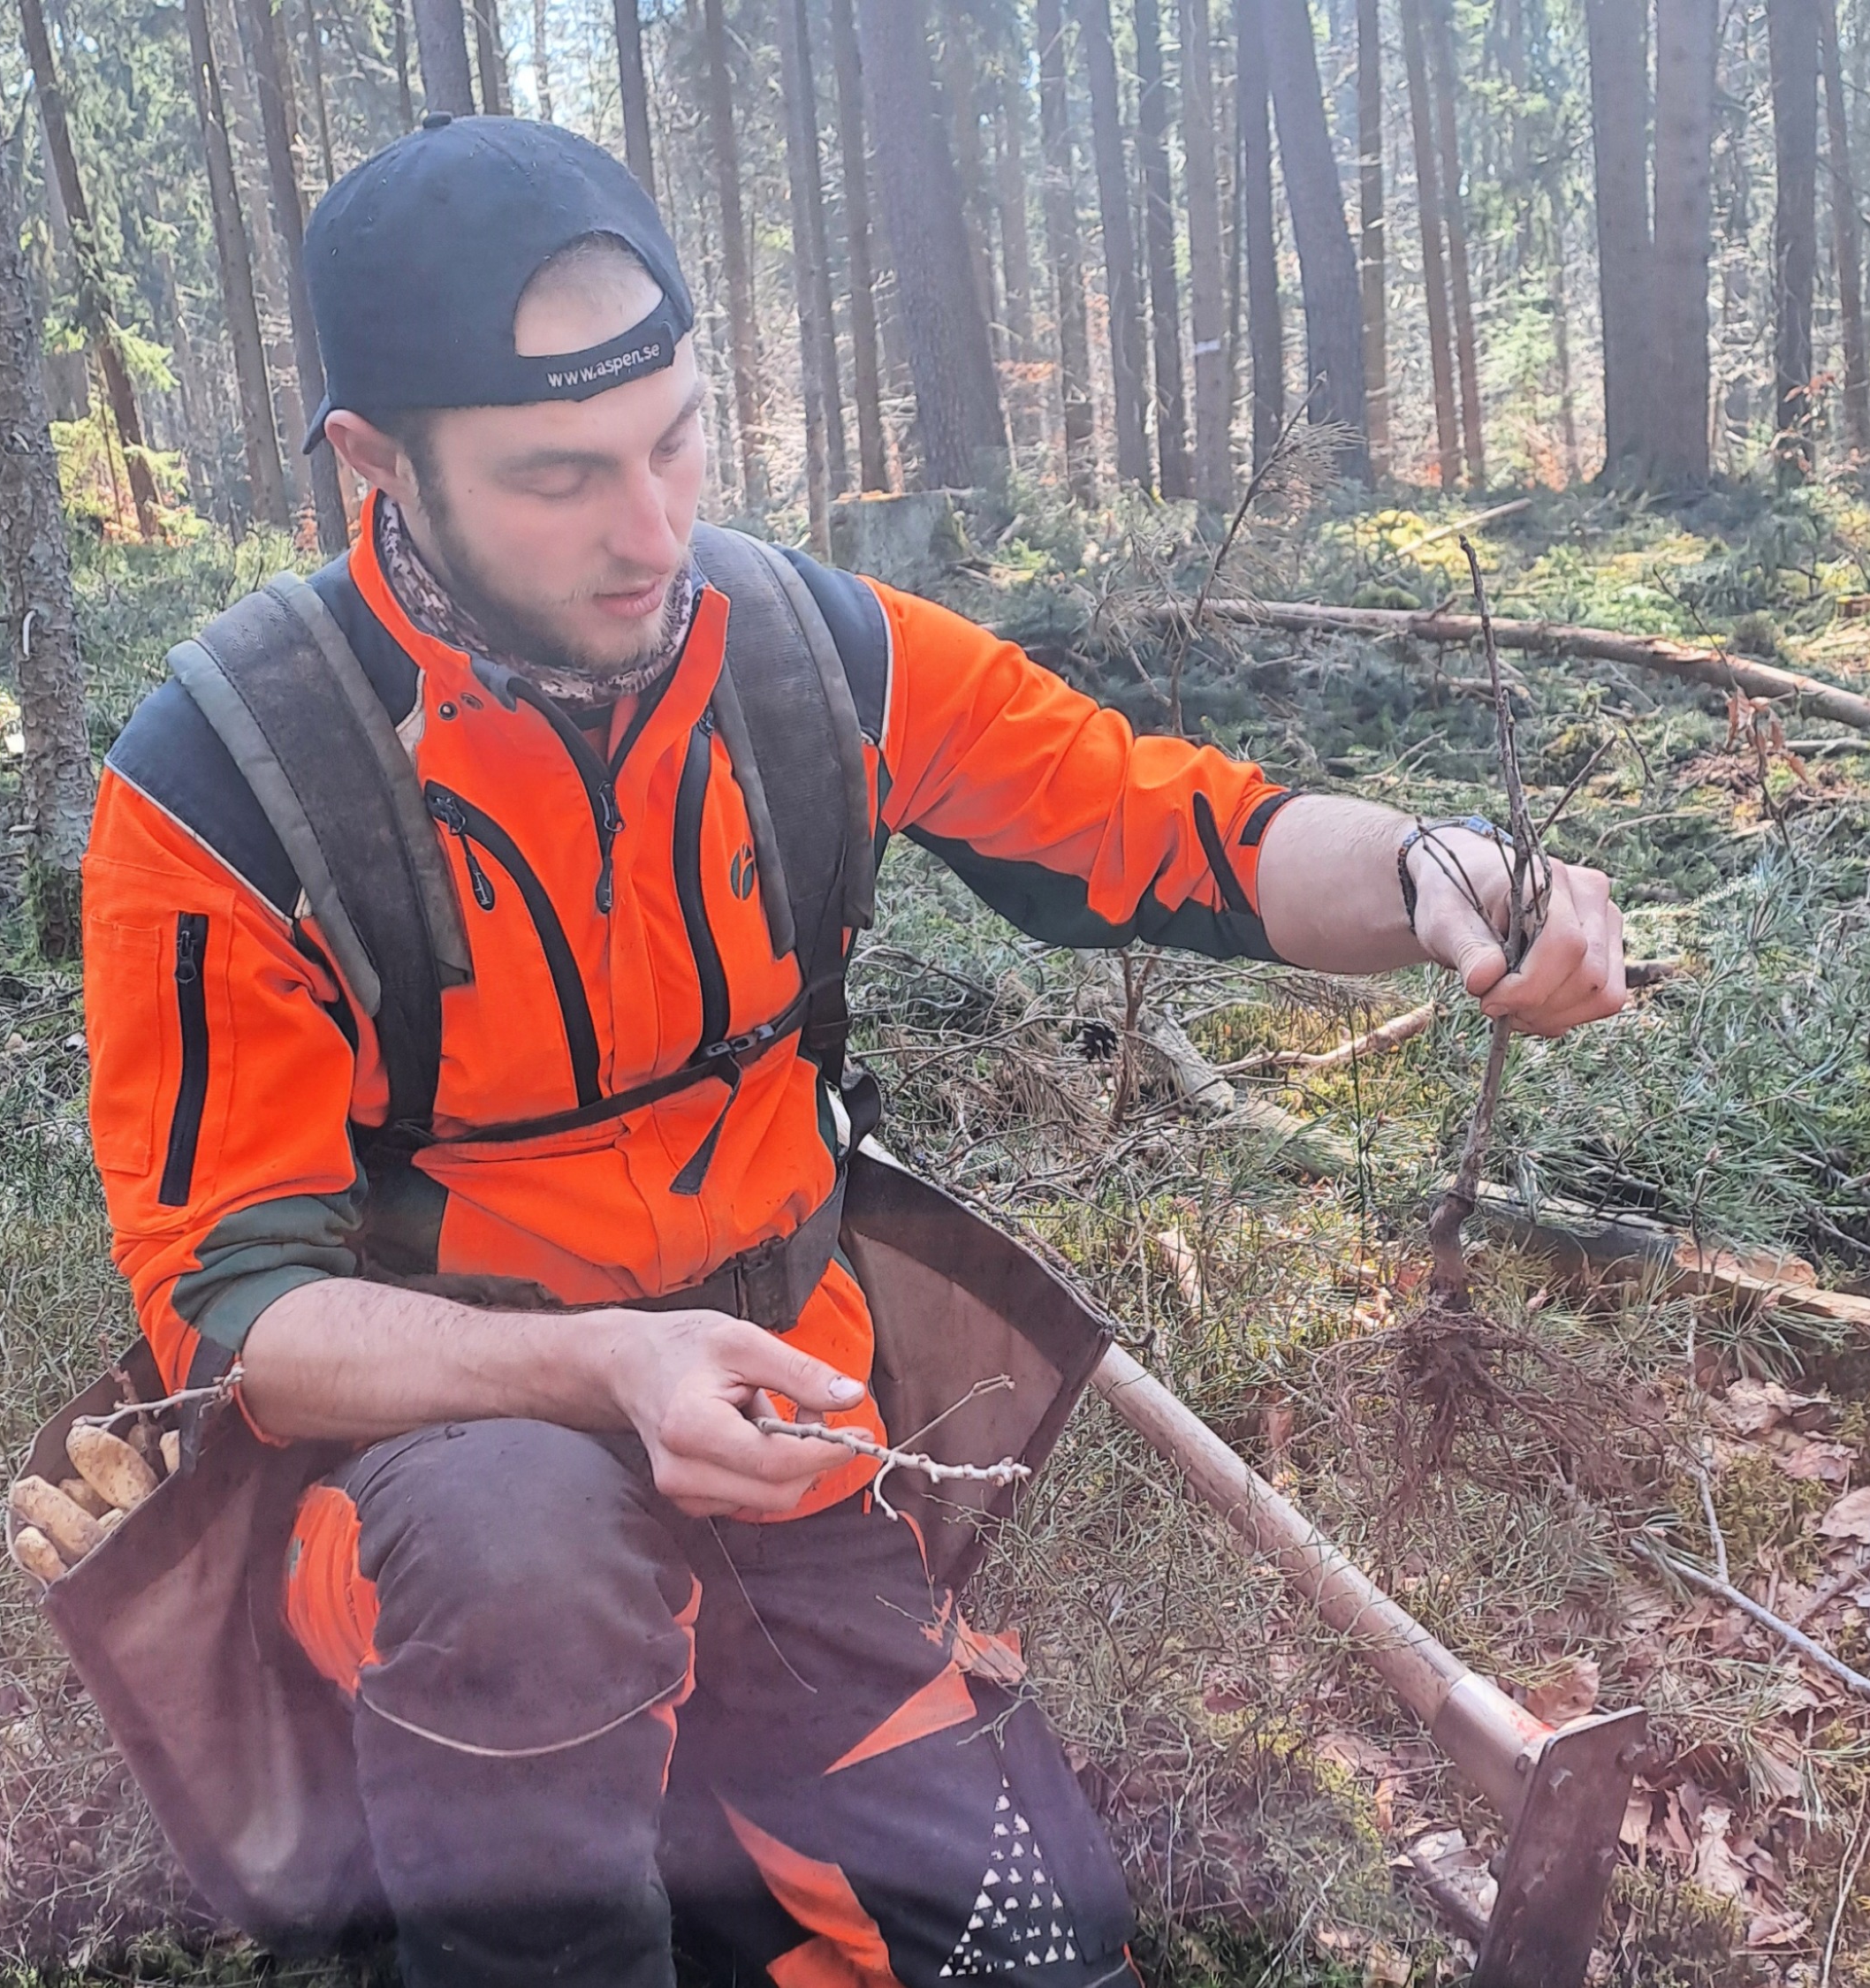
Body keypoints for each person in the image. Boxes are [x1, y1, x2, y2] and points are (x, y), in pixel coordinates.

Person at [80, 115, 1628, 1988]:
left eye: (677, 440)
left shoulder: (807, 660)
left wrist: (1428, 866)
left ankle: (698, 1787)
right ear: (375, 461)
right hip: (423, 1510)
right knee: (528, 1558)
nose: (649, 532)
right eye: (560, 476)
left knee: (1037, 1943)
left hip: (789, 1456)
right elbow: (236, 1322)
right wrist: (606, 1369)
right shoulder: (235, 786)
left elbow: (1176, 827)